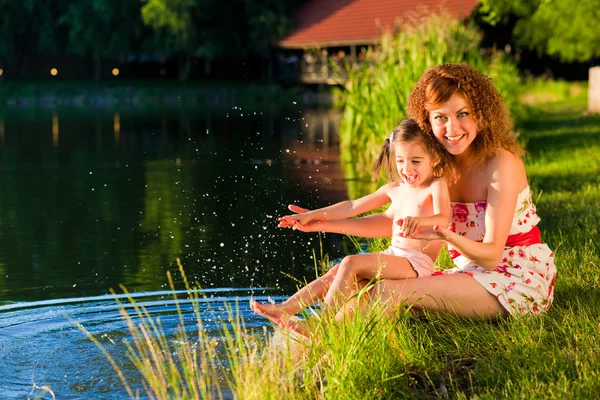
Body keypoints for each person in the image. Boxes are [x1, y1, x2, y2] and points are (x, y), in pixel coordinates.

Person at [278, 64, 557, 333]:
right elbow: (394, 221)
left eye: (463, 114)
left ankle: (322, 337)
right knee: (364, 281)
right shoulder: (437, 167)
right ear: (427, 120)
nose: (452, 128)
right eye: (440, 118)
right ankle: (321, 339)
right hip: (471, 276)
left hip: (514, 279)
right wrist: (321, 222)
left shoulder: (500, 164)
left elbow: (491, 256)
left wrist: (445, 235)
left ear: (481, 114)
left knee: (388, 292)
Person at [250, 118, 453, 328]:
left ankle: (322, 326)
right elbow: (351, 206)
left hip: (416, 263)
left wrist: (421, 221)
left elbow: (443, 218)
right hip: (395, 256)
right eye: (400, 161)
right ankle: (286, 309)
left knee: (350, 262)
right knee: (335, 273)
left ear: (434, 158)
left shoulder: (436, 185)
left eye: (416, 161)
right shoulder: (395, 189)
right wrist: (312, 215)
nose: (407, 169)